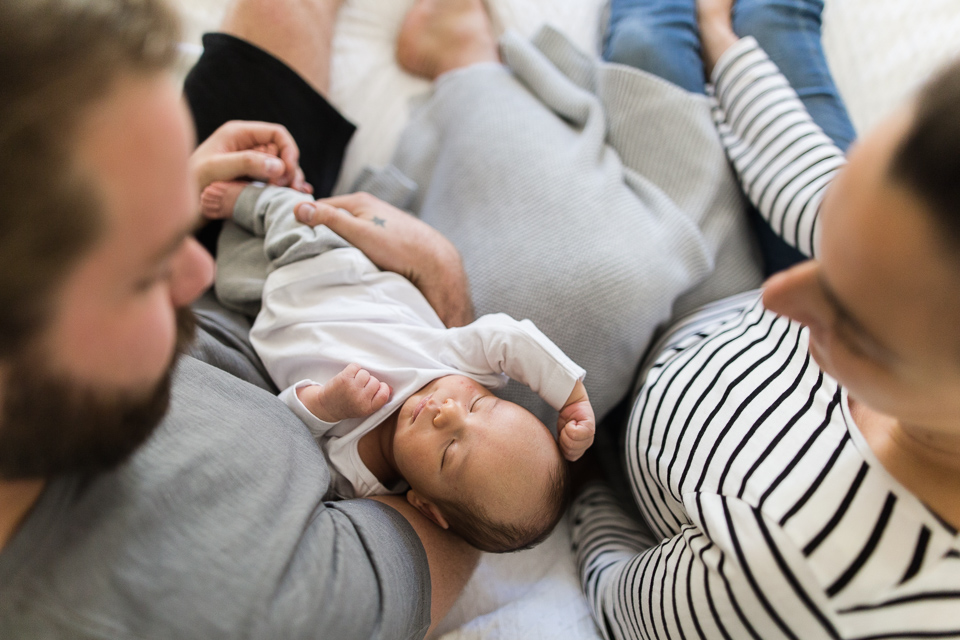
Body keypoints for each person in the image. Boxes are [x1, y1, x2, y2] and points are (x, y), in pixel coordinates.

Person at [0, 0, 482, 637]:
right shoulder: (245, 607)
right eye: (146, 274)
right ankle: (473, 62)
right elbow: (470, 513)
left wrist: (167, 188)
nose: (196, 271)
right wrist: (445, 301)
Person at [571, 0, 960, 637]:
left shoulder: (797, 579)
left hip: (671, 341)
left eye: (852, 325)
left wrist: (579, 486)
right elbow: (817, 186)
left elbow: (619, 596)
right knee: (763, 31)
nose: (779, 295)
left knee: (647, 39)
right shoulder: (912, 273)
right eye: (828, 256)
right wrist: (724, 47)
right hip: (760, 312)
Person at [200, 181, 597, 552]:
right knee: (289, 209)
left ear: (425, 506)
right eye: (478, 405)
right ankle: (253, 194)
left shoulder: (358, 478)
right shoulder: (456, 363)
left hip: (263, 309)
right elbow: (510, 339)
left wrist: (327, 405)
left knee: (221, 266)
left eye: (449, 452)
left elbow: (285, 430)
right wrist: (570, 394)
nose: (447, 414)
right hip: (324, 264)